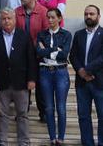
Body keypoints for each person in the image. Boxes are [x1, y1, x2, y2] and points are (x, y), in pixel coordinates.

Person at [70, 5, 103, 146]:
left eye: (92, 14)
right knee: (83, 116)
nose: (88, 16)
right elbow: (73, 56)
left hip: (100, 82)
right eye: (86, 14)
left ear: (98, 17)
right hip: (82, 83)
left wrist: (87, 70)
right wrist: (81, 72)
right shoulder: (78, 34)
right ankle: (87, 142)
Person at [0, 9, 37, 146]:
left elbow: (31, 59)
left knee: (22, 114)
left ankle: (24, 141)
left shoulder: (24, 36)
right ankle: (2, 141)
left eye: (9, 18)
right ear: (0, 20)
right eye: (4, 19)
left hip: (21, 82)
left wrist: (32, 79)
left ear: (15, 19)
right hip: (1, 81)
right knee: (2, 114)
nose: (6, 21)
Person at [36, 8, 73, 146]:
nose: (50, 20)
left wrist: (47, 51)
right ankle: (52, 137)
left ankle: (61, 138)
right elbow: (39, 52)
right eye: (48, 17)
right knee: (49, 107)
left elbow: (64, 54)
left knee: (61, 107)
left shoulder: (66, 34)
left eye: (52, 17)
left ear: (59, 18)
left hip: (60, 72)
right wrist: (55, 50)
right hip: (45, 72)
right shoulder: (41, 34)